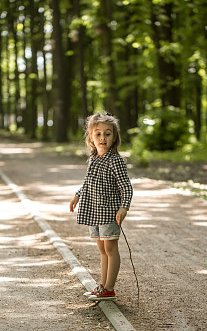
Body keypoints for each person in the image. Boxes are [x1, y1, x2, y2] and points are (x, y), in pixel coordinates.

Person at [69, 112, 133, 301]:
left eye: (107, 134)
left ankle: (109, 288)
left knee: (111, 249)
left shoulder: (116, 161)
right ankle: (102, 286)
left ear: (114, 137)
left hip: (109, 212)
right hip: (94, 211)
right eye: (97, 134)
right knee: (102, 250)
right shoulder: (93, 158)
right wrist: (77, 195)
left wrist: (124, 207)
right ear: (91, 137)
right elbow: (88, 182)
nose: (102, 138)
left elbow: (126, 187)